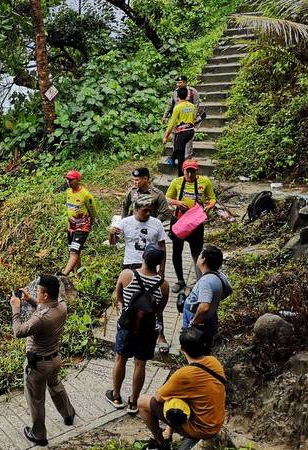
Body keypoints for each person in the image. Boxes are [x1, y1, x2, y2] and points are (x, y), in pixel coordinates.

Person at [11, 275, 76, 447]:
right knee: (55, 386)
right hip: (54, 359)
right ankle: (68, 414)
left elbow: (19, 331)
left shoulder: (40, 319)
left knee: (36, 400)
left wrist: (16, 309)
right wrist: (31, 299)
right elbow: (43, 308)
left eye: (38, 291)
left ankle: (39, 435)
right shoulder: (62, 306)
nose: (37, 293)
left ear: (46, 295)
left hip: (38, 365)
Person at [137, 327, 226, 450]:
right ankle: (168, 433)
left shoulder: (184, 375)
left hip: (202, 429)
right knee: (178, 396)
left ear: (183, 349)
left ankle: (161, 443)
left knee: (142, 402)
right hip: (216, 423)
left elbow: (158, 397)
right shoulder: (213, 362)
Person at [106, 244, 169, 414]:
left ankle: (116, 396)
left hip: (127, 325)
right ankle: (134, 402)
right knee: (140, 364)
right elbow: (159, 310)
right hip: (148, 330)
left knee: (121, 359)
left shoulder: (127, 275)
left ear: (143, 257)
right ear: (159, 262)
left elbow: (119, 297)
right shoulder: (163, 285)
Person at [110, 196, 171, 353]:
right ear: (136, 209)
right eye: (145, 210)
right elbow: (113, 243)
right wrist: (112, 234)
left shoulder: (156, 223)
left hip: (151, 266)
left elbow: (162, 247)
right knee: (130, 302)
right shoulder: (125, 223)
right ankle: (126, 327)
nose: (149, 212)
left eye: (151, 209)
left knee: (152, 303)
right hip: (131, 265)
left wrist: (162, 270)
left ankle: (160, 334)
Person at [165, 160, 216, 294]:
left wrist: (209, 206)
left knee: (197, 253)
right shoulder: (177, 182)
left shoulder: (205, 182)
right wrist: (177, 202)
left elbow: (212, 198)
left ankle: (200, 281)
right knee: (177, 251)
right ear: (183, 170)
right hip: (179, 222)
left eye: (192, 170)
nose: (189, 173)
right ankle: (180, 280)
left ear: (196, 170)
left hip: (195, 224)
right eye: (187, 170)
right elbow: (167, 198)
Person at [182, 246, 232, 345]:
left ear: (203, 260)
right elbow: (229, 290)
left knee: (193, 348)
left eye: (200, 255)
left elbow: (204, 307)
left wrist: (194, 322)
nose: (198, 257)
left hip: (199, 323)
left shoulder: (206, 282)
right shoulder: (219, 275)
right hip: (211, 318)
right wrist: (215, 300)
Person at [62, 170, 97, 277]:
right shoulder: (68, 192)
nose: (69, 182)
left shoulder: (86, 195)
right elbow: (69, 209)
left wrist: (91, 222)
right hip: (72, 225)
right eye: (67, 180)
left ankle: (63, 274)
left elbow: (93, 210)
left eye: (71, 180)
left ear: (78, 180)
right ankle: (78, 275)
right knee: (74, 250)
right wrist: (69, 224)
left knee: (74, 251)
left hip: (83, 226)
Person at [162, 76, 202, 160]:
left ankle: (187, 159)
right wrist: (165, 115)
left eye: (180, 83)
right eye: (177, 83)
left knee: (188, 142)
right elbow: (170, 104)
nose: (178, 84)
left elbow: (196, 105)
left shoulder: (192, 92)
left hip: (187, 122)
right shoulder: (175, 92)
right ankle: (177, 157)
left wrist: (193, 119)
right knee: (175, 140)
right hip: (176, 120)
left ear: (185, 82)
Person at [163, 87, 197, 177]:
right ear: (187, 95)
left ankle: (181, 177)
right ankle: (173, 158)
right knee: (178, 148)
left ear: (177, 96)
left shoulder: (178, 107)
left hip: (182, 133)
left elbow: (172, 123)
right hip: (190, 132)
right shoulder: (192, 106)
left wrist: (166, 136)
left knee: (181, 157)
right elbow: (194, 118)